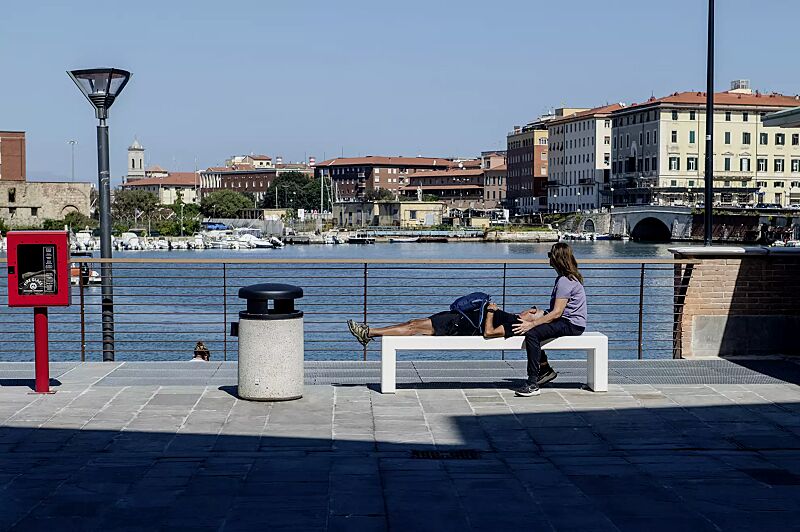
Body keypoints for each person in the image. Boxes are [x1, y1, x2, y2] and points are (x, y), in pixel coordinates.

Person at [511, 243, 587, 397]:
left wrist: (532, 324)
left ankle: (533, 383)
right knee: (532, 324)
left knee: (532, 334)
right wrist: (537, 313)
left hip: (571, 324)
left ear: (556, 258)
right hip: (567, 320)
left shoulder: (565, 281)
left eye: (549, 255)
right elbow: (557, 311)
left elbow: (557, 313)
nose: (548, 258)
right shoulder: (565, 278)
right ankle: (545, 369)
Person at [347, 304, 543, 347]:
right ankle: (369, 332)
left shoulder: (516, 325)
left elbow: (489, 332)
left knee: (413, 326)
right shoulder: (513, 319)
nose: (529, 309)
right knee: (413, 324)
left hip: (457, 326)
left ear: (532, 318)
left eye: (533, 310)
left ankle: (369, 332)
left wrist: (490, 312)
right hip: (457, 319)